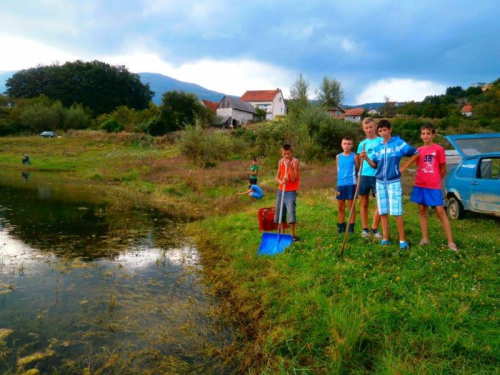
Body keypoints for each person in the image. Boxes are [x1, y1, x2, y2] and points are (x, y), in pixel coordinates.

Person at [361, 119, 417, 250]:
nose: (382, 133)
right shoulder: (377, 146)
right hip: (380, 182)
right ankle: (386, 238)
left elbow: (415, 153)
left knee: (397, 212)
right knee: (383, 211)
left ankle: (402, 240)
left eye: (385, 130)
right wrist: (367, 158)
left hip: (393, 182)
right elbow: (375, 165)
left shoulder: (398, 143)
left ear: (390, 130)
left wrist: (403, 167)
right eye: (380, 131)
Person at [400, 123, 457, 251]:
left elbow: (443, 168)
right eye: (423, 134)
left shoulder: (439, 149)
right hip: (420, 184)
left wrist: (436, 180)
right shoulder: (418, 150)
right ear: (421, 135)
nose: (425, 136)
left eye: (428, 133)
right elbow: (418, 166)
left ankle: (450, 242)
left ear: (433, 135)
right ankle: (425, 239)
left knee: (440, 211)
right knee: (422, 210)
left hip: (434, 186)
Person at [357, 118, 382, 238]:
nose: (369, 130)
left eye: (371, 127)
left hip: (378, 175)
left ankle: (375, 228)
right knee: (364, 203)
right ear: (363, 129)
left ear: (375, 127)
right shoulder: (362, 144)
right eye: (366, 128)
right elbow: (358, 160)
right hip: (364, 175)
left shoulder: (381, 141)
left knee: (380, 202)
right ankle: (365, 229)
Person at [274, 144, 300, 241]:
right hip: (281, 190)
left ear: (291, 152)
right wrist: (281, 181)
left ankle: (292, 235)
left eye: (288, 154)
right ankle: (282, 234)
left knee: (291, 211)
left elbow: (293, 179)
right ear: (282, 153)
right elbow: (276, 177)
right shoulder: (280, 162)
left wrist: (289, 167)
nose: (286, 156)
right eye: (284, 154)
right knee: (280, 211)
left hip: (290, 191)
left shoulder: (295, 162)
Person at [336, 136, 360, 234]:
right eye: (345, 143)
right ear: (341, 145)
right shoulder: (338, 156)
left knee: (351, 206)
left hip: (351, 183)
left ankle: (351, 227)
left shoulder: (355, 156)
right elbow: (338, 169)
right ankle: (341, 226)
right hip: (340, 184)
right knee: (340, 207)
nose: (346, 146)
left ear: (352, 145)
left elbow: (358, 169)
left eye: (349, 144)